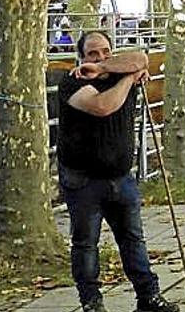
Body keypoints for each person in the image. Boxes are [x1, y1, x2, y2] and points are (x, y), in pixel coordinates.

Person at [57, 31, 177, 312]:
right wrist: (128, 78)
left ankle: (148, 296)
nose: (100, 57)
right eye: (92, 54)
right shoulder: (72, 82)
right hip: (83, 179)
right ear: (80, 57)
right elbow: (103, 106)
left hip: (121, 176)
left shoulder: (113, 70)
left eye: (106, 52)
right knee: (86, 243)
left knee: (133, 238)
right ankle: (91, 302)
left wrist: (107, 68)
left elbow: (141, 58)